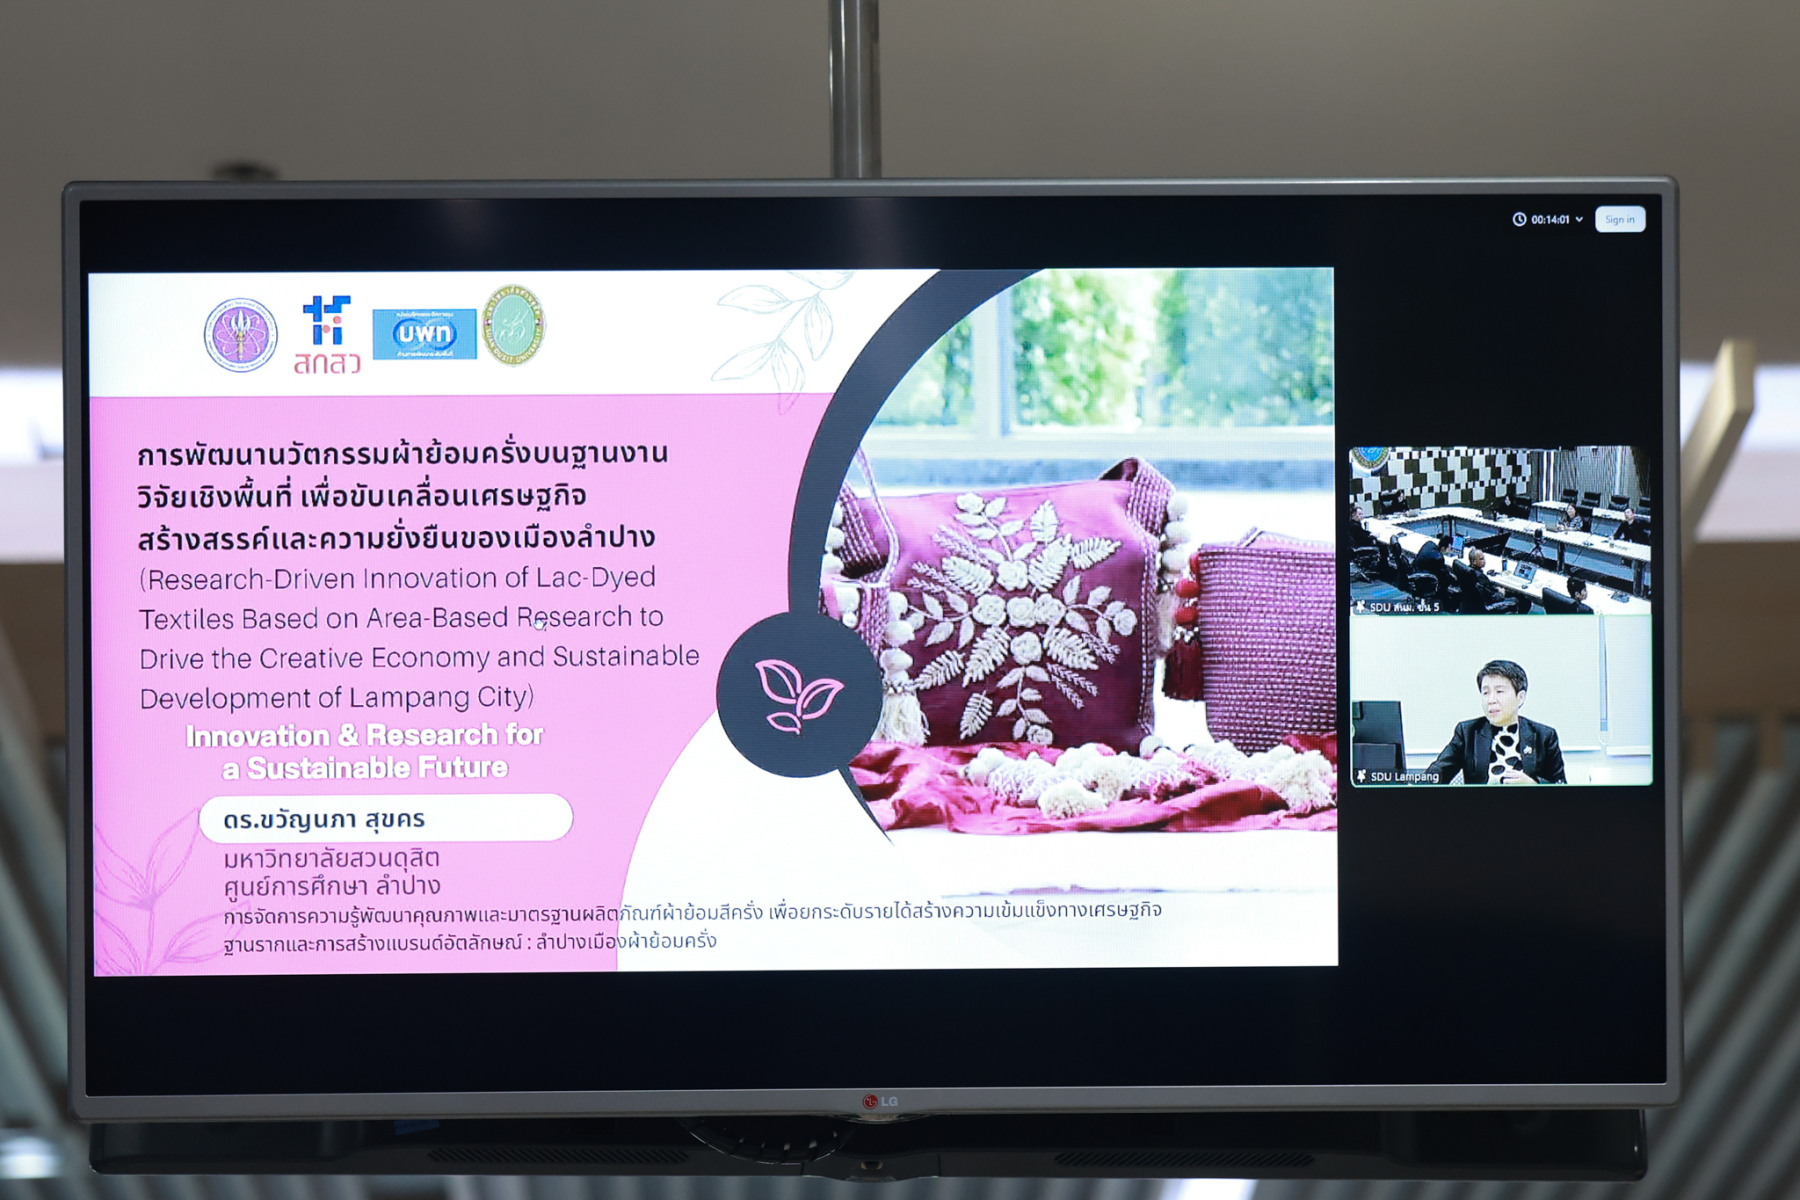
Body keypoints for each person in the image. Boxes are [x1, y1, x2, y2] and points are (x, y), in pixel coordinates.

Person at [1427, 659, 1567, 785]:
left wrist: (1533, 785)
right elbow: (1436, 774)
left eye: (1499, 691)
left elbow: (1560, 787)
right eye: (1485, 693)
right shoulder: (1467, 732)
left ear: (1520, 697)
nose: (1491, 700)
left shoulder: (1544, 736)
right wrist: (1416, 781)